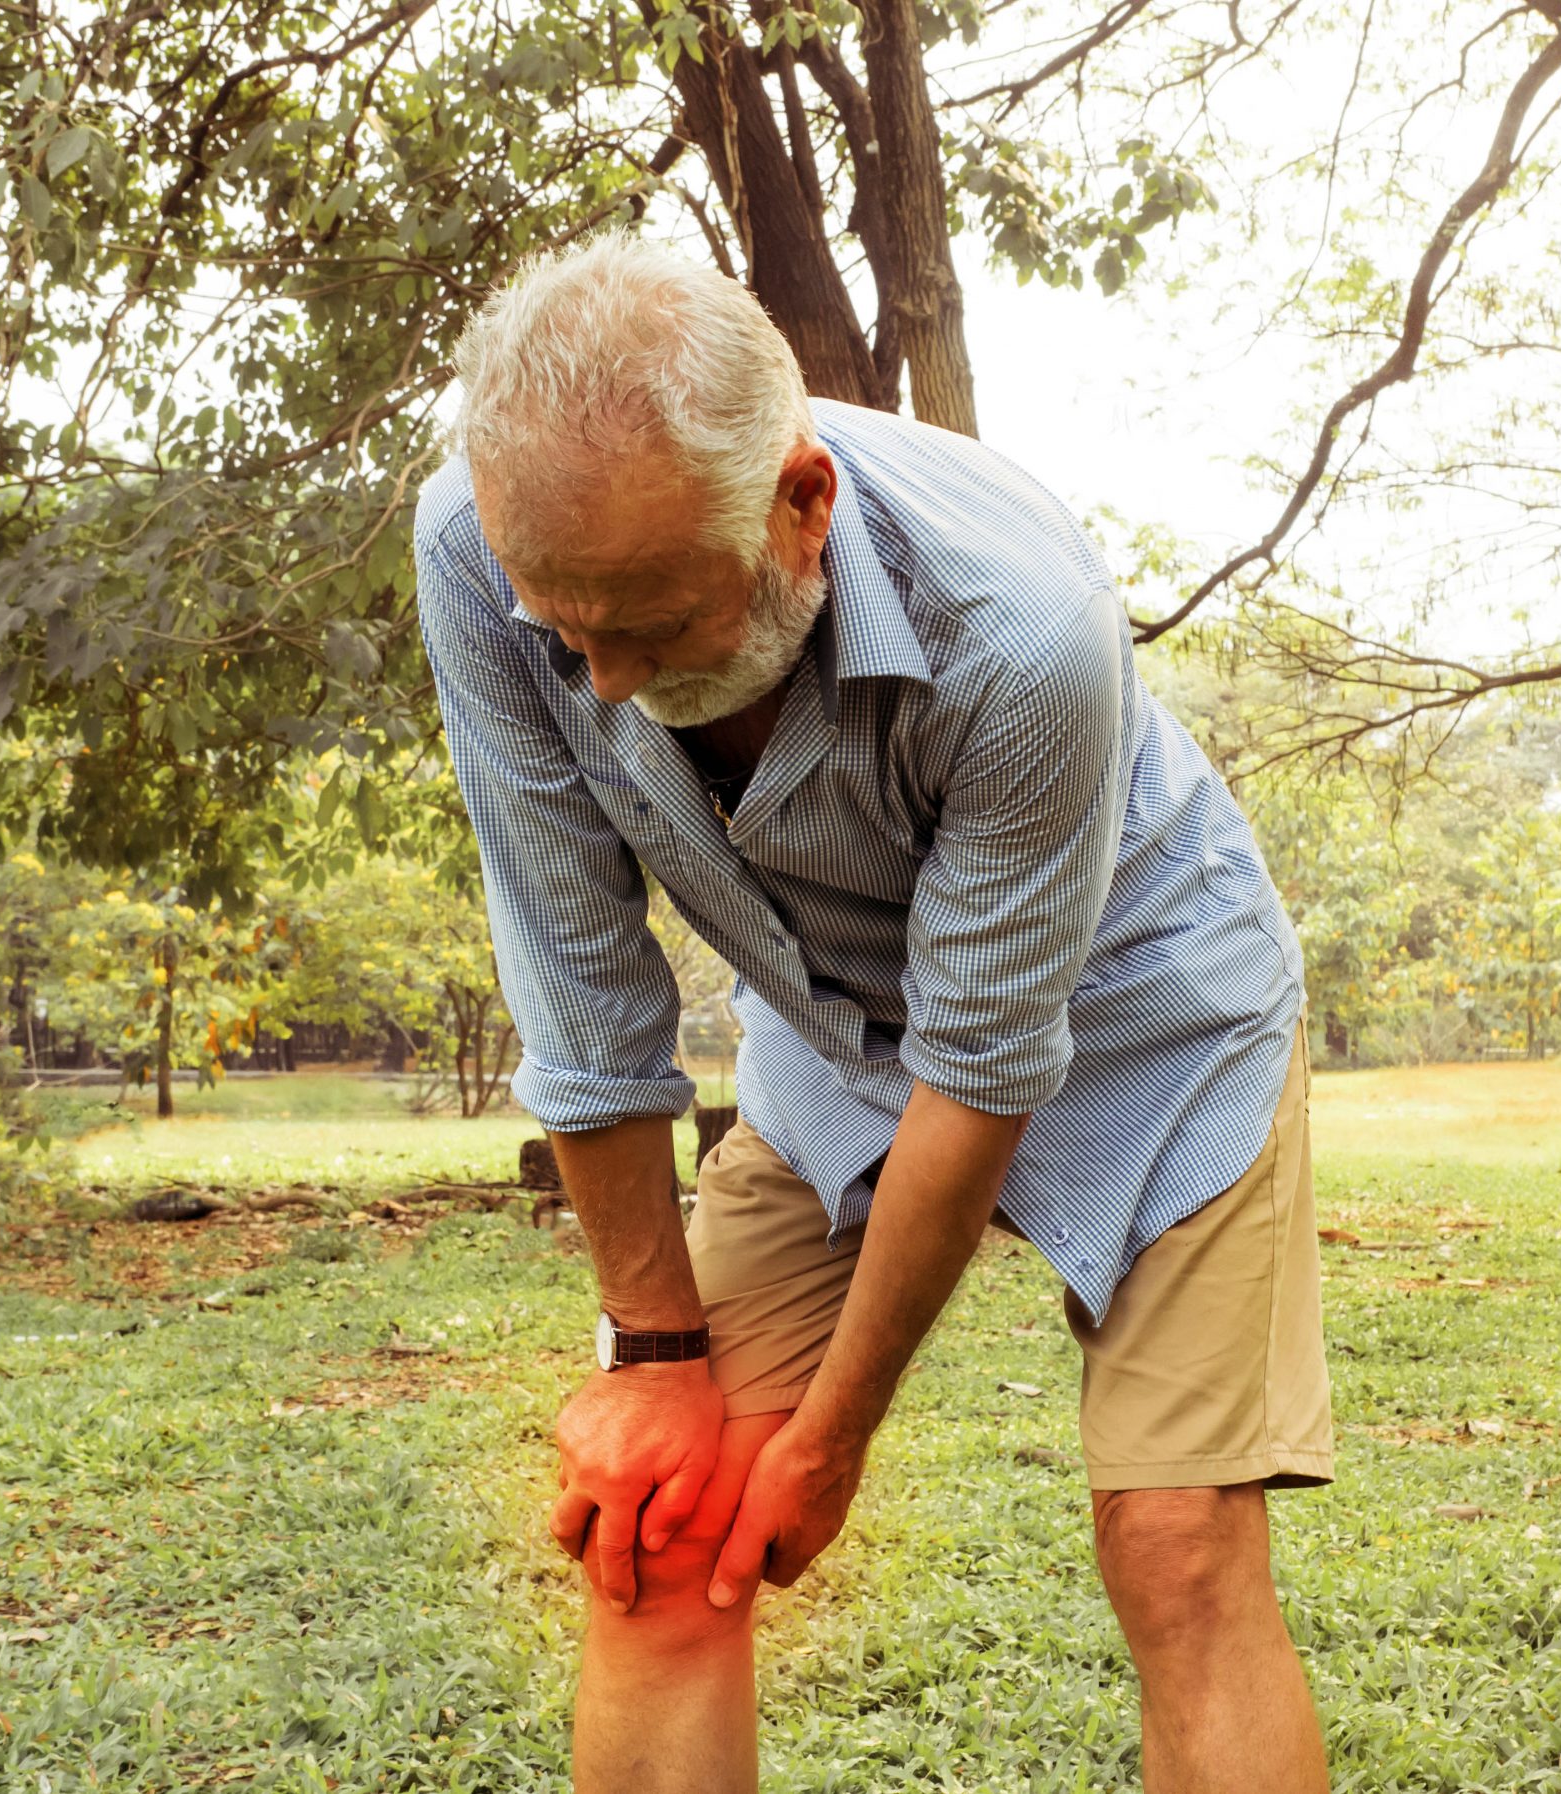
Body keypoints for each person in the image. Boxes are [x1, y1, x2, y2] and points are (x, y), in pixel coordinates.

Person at [414, 232, 1332, 1792]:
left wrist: (833, 1437)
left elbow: (981, 1070)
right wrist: (653, 1357)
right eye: (570, 630)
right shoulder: (479, 548)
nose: (612, 685)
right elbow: (579, 976)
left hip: (1150, 1011)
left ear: (800, 506)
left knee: (1175, 1546)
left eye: (660, 624)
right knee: (668, 1520)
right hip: (832, 1027)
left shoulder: (1024, 623)